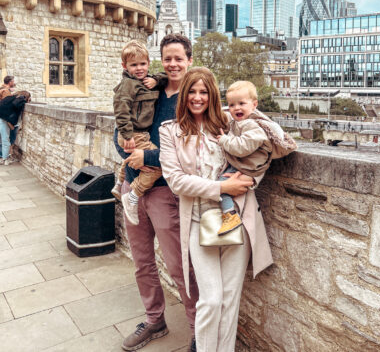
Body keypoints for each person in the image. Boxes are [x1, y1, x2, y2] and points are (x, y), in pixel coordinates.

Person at [159, 67, 273, 352]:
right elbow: (176, 181)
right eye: (192, 92)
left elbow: (263, 148)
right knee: (210, 298)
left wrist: (250, 180)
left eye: (204, 92)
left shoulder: (229, 123)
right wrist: (222, 188)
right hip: (199, 220)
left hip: (236, 216)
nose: (198, 98)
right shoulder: (169, 131)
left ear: (212, 95)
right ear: (184, 94)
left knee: (230, 298)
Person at [113, 34, 199, 352]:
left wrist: (146, 157)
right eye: (168, 58)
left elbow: (191, 151)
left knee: (178, 266)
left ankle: (197, 328)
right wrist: (124, 149)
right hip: (132, 185)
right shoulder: (146, 87)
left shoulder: (193, 97)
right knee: (142, 262)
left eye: (179, 58)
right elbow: (120, 128)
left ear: (189, 60)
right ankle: (154, 319)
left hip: (165, 191)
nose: (173, 63)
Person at [216, 80, 296, 236]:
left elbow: (241, 147)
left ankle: (230, 215)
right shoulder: (241, 123)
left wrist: (224, 140)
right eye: (232, 105)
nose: (236, 108)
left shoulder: (253, 126)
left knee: (220, 187)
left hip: (246, 167)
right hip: (242, 166)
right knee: (220, 184)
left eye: (241, 103)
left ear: (254, 105)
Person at [113, 40, 167, 225]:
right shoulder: (128, 85)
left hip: (139, 133)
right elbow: (121, 110)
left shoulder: (145, 81)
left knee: (133, 159)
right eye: (134, 65)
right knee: (158, 166)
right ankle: (133, 195)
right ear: (124, 66)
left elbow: (166, 77)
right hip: (133, 134)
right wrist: (127, 135)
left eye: (142, 64)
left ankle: (119, 184)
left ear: (148, 63)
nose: (139, 68)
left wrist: (156, 80)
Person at [0, 91, 31, 165]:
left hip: (2, 118)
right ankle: (5, 159)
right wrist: (11, 123)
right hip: (6, 120)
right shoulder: (20, 101)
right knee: (6, 140)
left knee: (4, 139)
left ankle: (4, 158)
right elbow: (15, 114)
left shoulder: (8, 98)